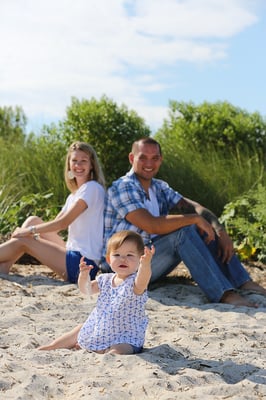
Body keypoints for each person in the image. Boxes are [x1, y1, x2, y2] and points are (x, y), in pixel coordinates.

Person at [102, 137, 266, 307]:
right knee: (184, 231)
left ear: (161, 160)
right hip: (122, 267)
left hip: (147, 260)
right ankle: (224, 294)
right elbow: (151, 224)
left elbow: (196, 208)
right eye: (142, 157)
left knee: (203, 227)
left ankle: (243, 281)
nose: (149, 163)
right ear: (131, 158)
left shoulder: (159, 187)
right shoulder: (123, 187)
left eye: (155, 158)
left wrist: (220, 231)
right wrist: (195, 219)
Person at [0, 141, 105, 283]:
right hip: (71, 252)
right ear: (69, 164)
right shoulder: (74, 195)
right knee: (33, 220)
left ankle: (4, 263)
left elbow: (63, 223)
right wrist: (33, 229)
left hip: (83, 265)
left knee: (24, 239)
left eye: (83, 161)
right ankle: (4, 266)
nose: (78, 165)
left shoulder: (92, 188)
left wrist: (28, 232)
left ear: (91, 165)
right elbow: (53, 225)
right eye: (74, 160)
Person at [38, 230, 155, 354]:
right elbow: (86, 289)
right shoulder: (105, 279)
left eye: (130, 255)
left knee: (119, 349)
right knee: (79, 329)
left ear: (139, 259)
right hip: (101, 329)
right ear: (109, 260)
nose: (123, 259)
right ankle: (52, 346)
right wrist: (83, 276)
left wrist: (145, 265)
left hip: (125, 337)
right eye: (117, 255)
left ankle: (106, 353)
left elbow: (144, 278)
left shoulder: (135, 283)